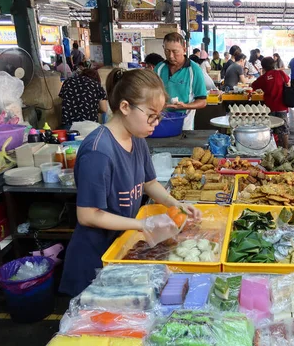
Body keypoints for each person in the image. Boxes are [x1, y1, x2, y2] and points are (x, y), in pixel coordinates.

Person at [59, 68, 201, 296]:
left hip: (122, 247)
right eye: (151, 115)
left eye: (159, 116)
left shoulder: (137, 139)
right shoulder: (99, 152)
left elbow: (150, 183)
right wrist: (143, 225)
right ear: (125, 107)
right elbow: (87, 215)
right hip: (95, 256)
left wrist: (176, 204)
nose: (155, 123)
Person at [155, 33, 207, 130]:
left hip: (184, 124)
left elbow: (202, 101)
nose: (170, 56)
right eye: (167, 51)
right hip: (161, 121)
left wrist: (185, 106)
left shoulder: (194, 70)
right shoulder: (159, 69)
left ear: (184, 49)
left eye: (175, 51)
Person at [252, 57, 291, 148]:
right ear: (274, 65)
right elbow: (288, 83)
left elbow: (253, 86)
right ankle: (285, 150)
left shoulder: (264, 77)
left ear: (263, 67)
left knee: (269, 129)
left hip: (269, 107)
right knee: (284, 129)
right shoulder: (281, 73)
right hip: (282, 106)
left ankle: (271, 148)